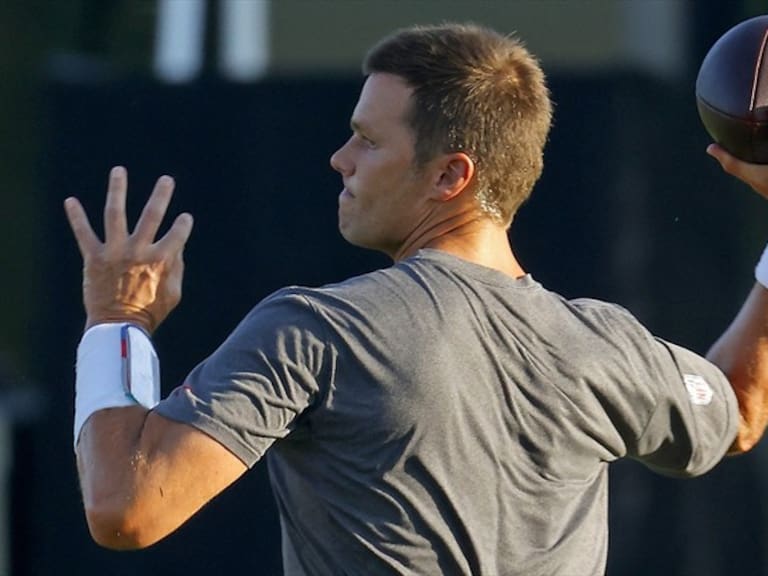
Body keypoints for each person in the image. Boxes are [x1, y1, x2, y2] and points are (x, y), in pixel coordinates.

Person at [63, 22, 768, 576]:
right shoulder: (604, 346)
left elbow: (127, 506)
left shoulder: (317, 332)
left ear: (450, 176)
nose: (340, 158)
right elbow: (738, 410)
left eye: (368, 141)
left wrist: (117, 320)